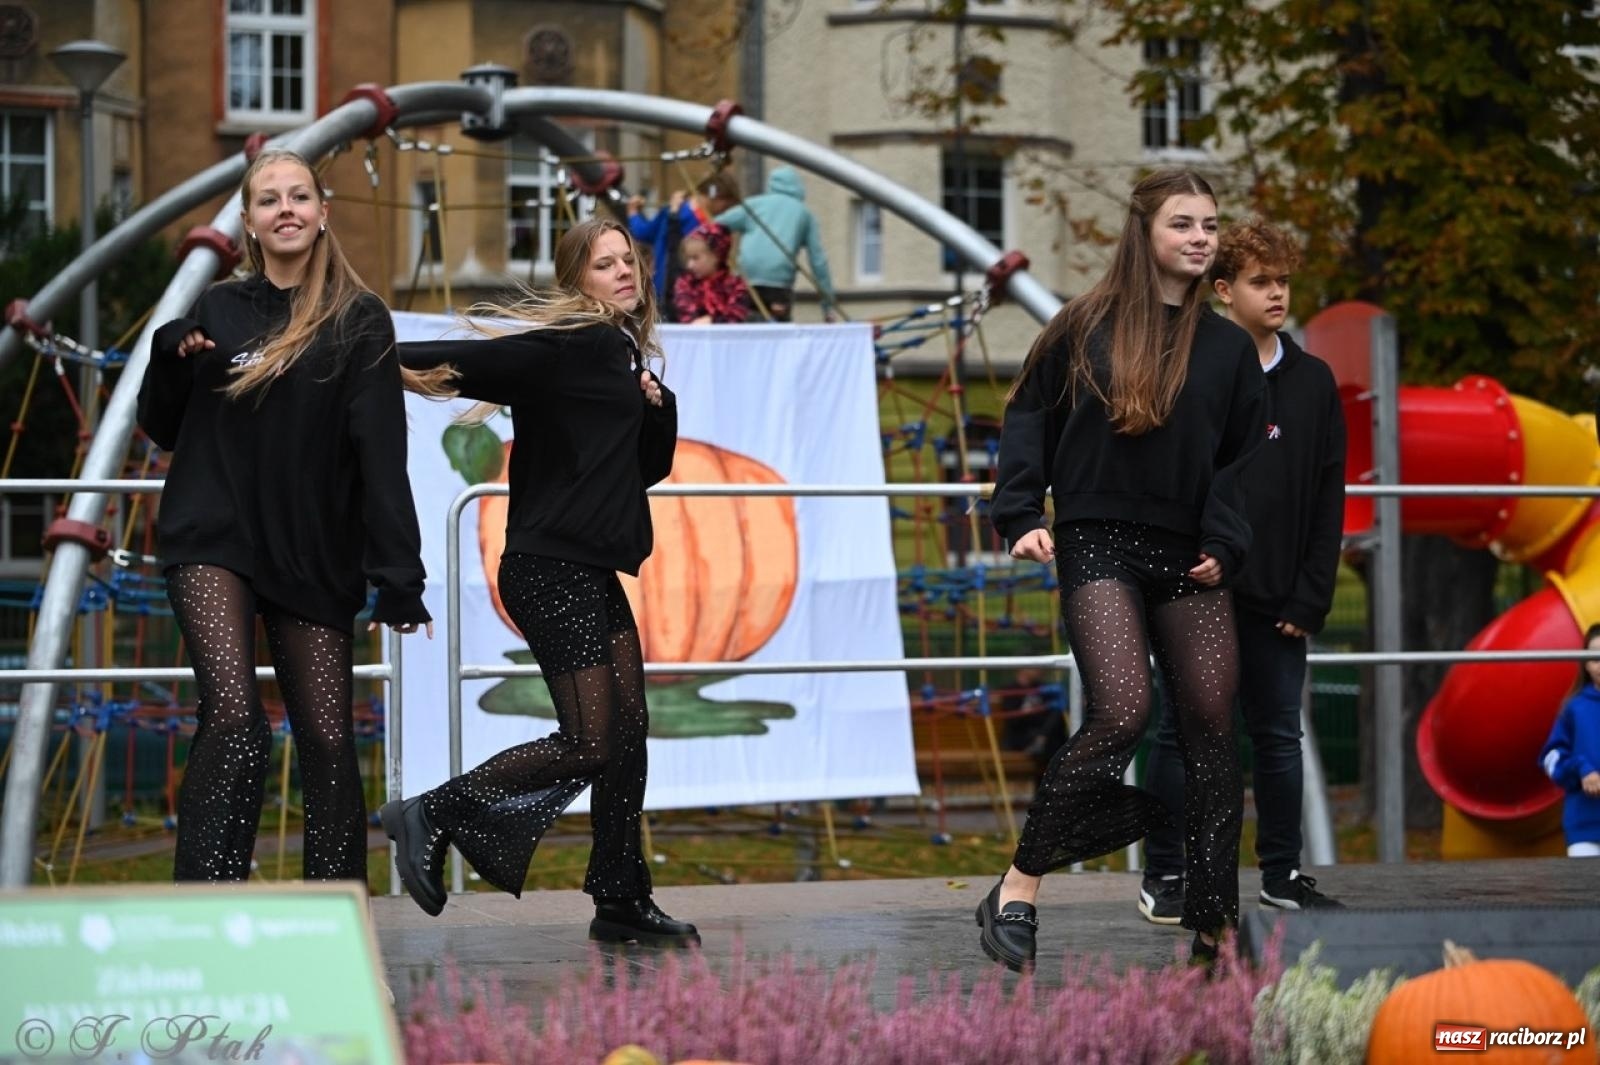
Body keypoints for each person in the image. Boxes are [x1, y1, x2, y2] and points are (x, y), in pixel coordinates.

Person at [381, 217, 697, 947]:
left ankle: (621, 895)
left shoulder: (620, 357)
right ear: (577, 281)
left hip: (586, 566)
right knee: (591, 739)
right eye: (604, 263)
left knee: (630, 734)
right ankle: (431, 811)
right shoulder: (576, 344)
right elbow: (468, 360)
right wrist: (375, 351)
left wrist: (658, 407)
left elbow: (643, 470)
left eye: (629, 261)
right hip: (550, 567)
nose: (624, 272)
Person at [978, 169, 1265, 972]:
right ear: (1145, 233)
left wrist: (1227, 537)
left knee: (1213, 722)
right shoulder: (1085, 324)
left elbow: (1244, 461)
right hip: (1098, 537)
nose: (1200, 237)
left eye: (1210, 224)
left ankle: (1213, 925)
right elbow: (1028, 413)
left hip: (1188, 551)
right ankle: (1019, 884)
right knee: (1123, 711)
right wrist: (1021, 514)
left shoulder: (1229, 347)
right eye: (1183, 223)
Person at [137, 148, 444, 883]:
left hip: (311, 550)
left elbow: (381, 456)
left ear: (322, 213)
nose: (285, 208)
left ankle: (334, 917)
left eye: (299, 196)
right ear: (248, 220)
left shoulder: (358, 319)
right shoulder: (217, 308)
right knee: (237, 720)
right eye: (269, 198)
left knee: (329, 742)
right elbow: (164, 426)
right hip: (214, 536)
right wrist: (169, 355)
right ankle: (208, 907)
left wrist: (399, 576)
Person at [1138, 219, 1347, 924]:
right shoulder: (1188, 366)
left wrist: (1311, 595)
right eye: (1262, 281)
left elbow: (1327, 495)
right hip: (1197, 588)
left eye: (1284, 281)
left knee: (1279, 738)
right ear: (1223, 290)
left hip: (1280, 600)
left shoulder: (1315, 382)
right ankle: (1164, 873)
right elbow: (1161, 477)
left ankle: (1281, 871)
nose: (1278, 293)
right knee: (1181, 731)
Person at [714, 166, 835, 322]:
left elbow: (715, 226)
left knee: (743, 331)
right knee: (777, 337)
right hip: (778, 285)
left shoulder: (752, 205)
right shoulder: (804, 214)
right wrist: (828, 306)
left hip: (745, 280)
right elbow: (818, 262)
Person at [1541, 623, 1600, 858]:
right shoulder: (1573, 708)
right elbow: (1551, 758)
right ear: (1585, 663)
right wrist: (1582, 769)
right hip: (1584, 828)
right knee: (1586, 894)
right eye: (1595, 657)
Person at [671, 223, 753, 324]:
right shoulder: (685, 283)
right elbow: (687, 316)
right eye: (688, 259)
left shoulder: (736, 285)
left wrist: (713, 322)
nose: (690, 265)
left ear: (716, 256)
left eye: (696, 258)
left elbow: (736, 317)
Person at [627, 189, 701, 301]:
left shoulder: (670, 212)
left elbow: (643, 233)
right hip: (687, 290)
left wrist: (632, 212)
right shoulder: (698, 218)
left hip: (664, 284)